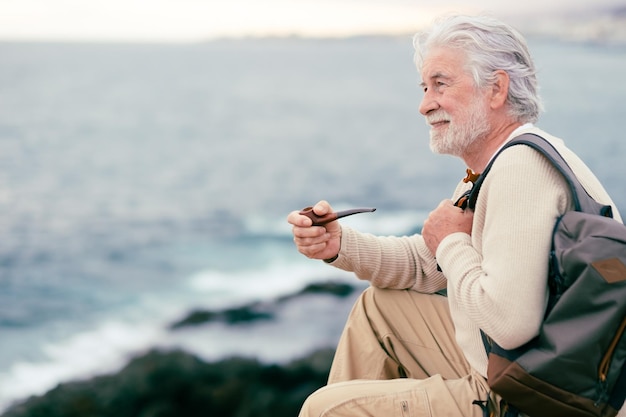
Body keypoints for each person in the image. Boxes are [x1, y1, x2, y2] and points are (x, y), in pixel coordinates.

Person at [286, 14, 624, 417]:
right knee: (380, 310)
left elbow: (510, 323)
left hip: (530, 396)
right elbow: (433, 264)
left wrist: (451, 241)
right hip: (517, 364)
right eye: (425, 87)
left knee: (325, 410)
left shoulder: (520, 172)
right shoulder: (498, 165)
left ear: (497, 89)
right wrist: (339, 244)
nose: (424, 104)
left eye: (440, 84)